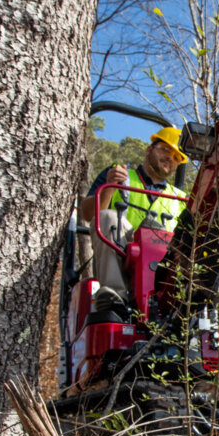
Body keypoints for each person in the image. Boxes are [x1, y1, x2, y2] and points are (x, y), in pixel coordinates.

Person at [80, 127, 188, 306]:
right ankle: (115, 295)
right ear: (149, 149)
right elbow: (89, 214)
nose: (170, 158)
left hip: (162, 266)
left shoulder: (181, 199)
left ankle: (199, 305)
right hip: (123, 254)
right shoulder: (118, 177)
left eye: (177, 157)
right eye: (165, 149)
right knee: (107, 217)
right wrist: (110, 186)